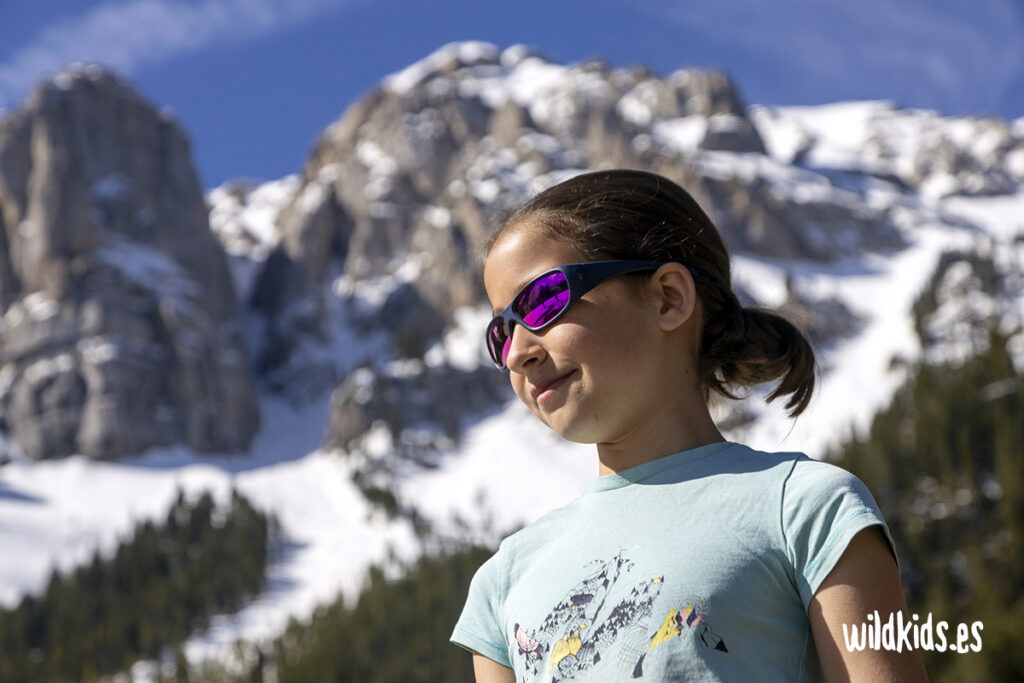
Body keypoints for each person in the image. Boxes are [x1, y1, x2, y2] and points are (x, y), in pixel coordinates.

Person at [450, 169, 928, 682]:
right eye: (500, 333)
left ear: (668, 298)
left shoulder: (811, 510)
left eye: (543, 300)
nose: (518, 352)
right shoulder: (503, 582)